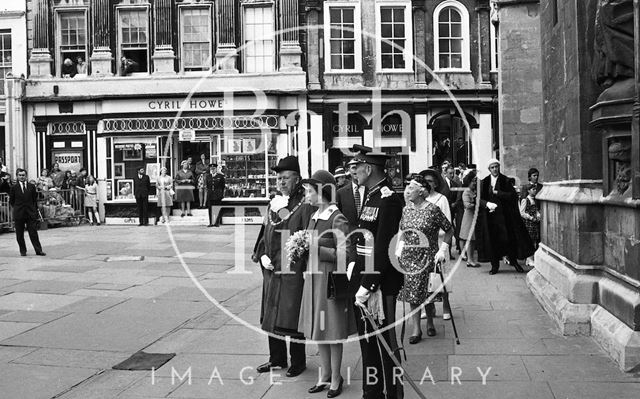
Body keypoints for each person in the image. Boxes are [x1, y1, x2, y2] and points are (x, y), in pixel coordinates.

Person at [348, 145, 404, 399]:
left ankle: (393, 393)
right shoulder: (370, 195)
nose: (354, 172)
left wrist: (367, 284)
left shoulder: (389, 198)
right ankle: (372, 392)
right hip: (365, 279)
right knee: (367, 341)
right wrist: (355, 268)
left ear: (368, 168)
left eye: (357, 167)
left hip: (381, 286)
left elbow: (383, 247)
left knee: (386, 345)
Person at [252, 156, 316, 378]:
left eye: (286, 178)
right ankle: (276, 359)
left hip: (293, 270)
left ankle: (298, 361)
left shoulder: (305, 204)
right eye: (278, 178)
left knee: (292, 315)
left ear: (297, 179)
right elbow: (264, 233)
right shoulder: (274, 202)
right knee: (272, 315)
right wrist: (262, 255)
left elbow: (309, 236)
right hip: (271, 269)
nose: (281, 182)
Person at [299, 169, 356, 397]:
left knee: (332, 330)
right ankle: (324, 376)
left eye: (310, 192)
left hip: (330, 280)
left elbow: (345, 252)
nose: (307, 196)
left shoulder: (336, 217)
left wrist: (316, 249)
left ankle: (335, 378)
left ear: (321, 192)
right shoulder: (314, 217)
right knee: (319, 330)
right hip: (314, 278)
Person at [397, 174, 453, 343]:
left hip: (427, 256)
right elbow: (402, 229)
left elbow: (449, 229)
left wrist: (443, 248)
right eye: (406, 188)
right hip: (408, 257)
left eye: (411, 188)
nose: (407, 191)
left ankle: (429, 321)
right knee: (413, 294)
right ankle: (416, 329)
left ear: (421, 192)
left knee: (427, 292)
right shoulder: (406, 209)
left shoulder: (433, 210)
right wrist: (399, 249)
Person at [478, 159, 535, 274]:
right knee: (493, 242)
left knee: (509, 240)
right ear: (489, 169)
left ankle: (514, 262)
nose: (495, 169)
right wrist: (487, 204)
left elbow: (513, 196)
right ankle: (495, 266)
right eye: (492, 167)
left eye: (496, 167)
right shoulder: (484, 182)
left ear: (499, 167)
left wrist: (498, 193)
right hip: (491, 218)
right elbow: (479, 199)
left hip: (505, 218)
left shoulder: (506, 180)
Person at [419, 168, 453, 322]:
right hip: (422, 244)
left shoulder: (441, 199)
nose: (428, 184)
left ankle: (446, 305)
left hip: (439, 242)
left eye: (431, 181)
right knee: (425, 277)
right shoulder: (418, 199)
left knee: (442, 275)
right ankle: (428, 307)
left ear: (436, 183)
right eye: (425, 181)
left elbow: (448, 225)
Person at [459, 170, 495, 268]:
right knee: (470, 239)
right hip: (469, 218)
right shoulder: (466, 192)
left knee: (473, 239)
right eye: (473, 181)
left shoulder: (473, 191)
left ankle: (471, 259)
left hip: (474, 217)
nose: (475, 183)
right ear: (469, 181)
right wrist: (478, 204)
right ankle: (470, 260)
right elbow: (467, 205)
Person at [9, 169, 45, 256]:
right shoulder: (14, 188)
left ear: (26, 176)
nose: (22, 177)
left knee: (33, 232)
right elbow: (12, 201)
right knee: (19, 234)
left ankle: (38, 250)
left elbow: (34, 199)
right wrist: (17, 208)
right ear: (17, 176)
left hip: (30, 213)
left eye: (23, 175)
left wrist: (34, 211)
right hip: (19, 213)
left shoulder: (31, 186)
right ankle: (23, 250)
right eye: (20, 175)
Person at [335, 159, 366, 230]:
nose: (356, 170)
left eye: (359, 167)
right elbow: (337, 220)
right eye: (353, 168)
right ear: (348, 170)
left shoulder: (371, 190)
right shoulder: (340, 193)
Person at [520, 183, 541, 268]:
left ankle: (531, 258)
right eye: (533, 189)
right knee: (530, 240)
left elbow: (536, 210)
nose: (535, 191)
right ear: (528, 191)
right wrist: (530, 218)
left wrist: (538, 215)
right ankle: (529, 259)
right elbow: (522, 212)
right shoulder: (525, 200)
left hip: (534, 223)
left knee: (534, 240)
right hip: (528, 223)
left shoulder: (535, 200)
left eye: (535, 189)